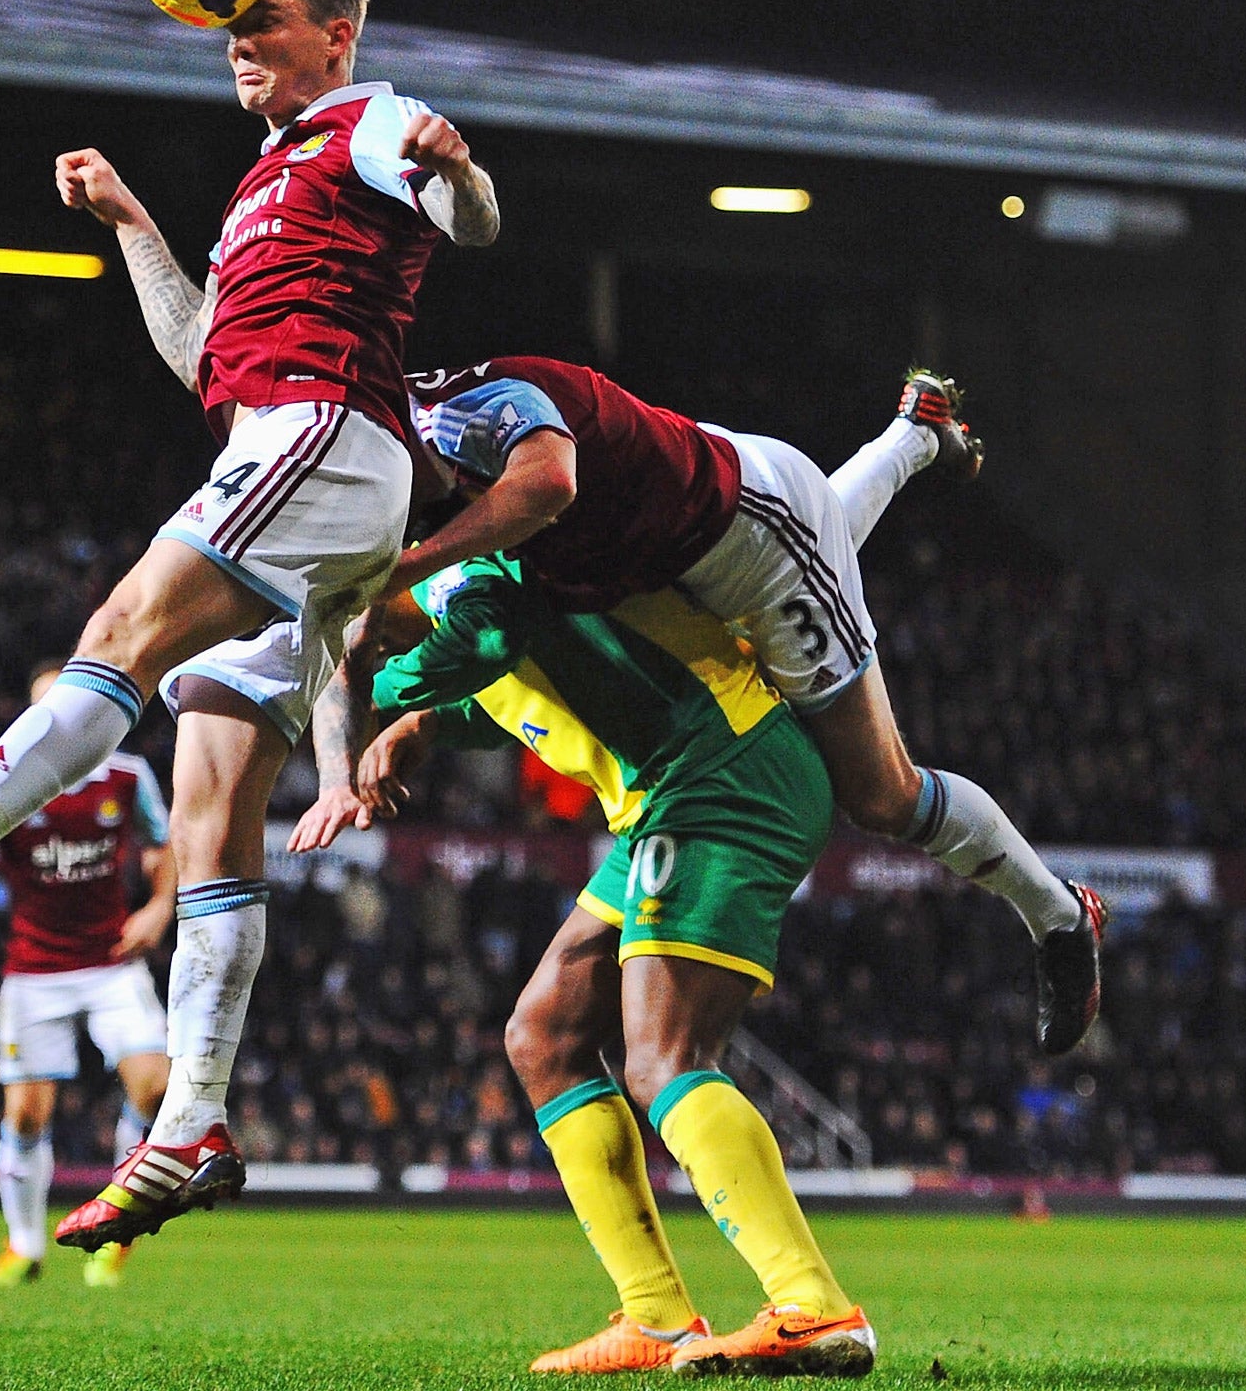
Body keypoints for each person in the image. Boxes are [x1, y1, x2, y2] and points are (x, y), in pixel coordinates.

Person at [0, 0, 500, 1253]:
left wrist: (458, 173)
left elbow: (467, 211)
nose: (239, 44)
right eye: (231, 29)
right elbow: (206, 357)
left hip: (326, 442)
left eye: (262, 23)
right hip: (284, 449)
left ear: (331, 33)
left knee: (119, 633)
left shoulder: (368, 120)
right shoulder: (269, 182)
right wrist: (133, 225)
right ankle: (194, 1124)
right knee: (213, 789)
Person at [394, 358, 1105, 1054]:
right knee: (811, 540)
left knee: (884, 797)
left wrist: (386, 621)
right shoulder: (433, 440)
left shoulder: (461, 433)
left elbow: (536, 505)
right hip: (719, 531)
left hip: (759, 545)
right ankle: (914, 435)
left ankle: (1060, 915)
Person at [292, 558, 876, 1377]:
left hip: (721, 773)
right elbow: (527, 670)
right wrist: (427, 723)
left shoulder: (463, 574)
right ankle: (658, 1318)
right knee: (545, 1035)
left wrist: (384, 692)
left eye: (358, 629)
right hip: (670, 793)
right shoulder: (459, 597)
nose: (363, 647)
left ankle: (811, 1306)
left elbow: (491, 633)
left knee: (665, 1056)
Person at [0, 667, 177, 1289]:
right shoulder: (9, 783)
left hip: (112, 963)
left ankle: (118, 1229)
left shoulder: (129, 775)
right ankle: (24, 1246)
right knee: (26, 1115)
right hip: (34, 970)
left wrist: (159, 907)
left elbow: (165, 847)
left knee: (157, 1090)